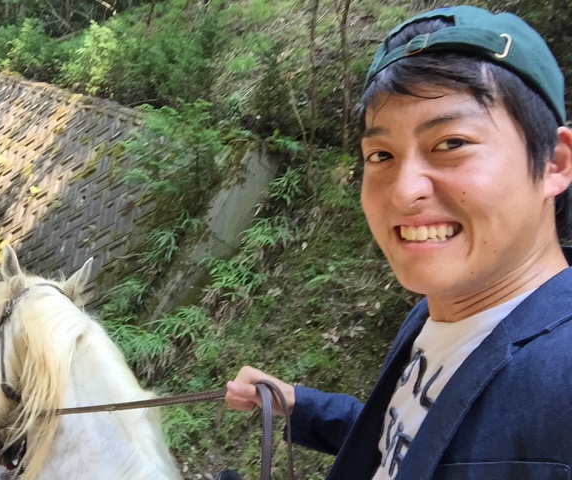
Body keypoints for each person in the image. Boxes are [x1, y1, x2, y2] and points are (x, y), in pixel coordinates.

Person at [225, 5, 572, 479]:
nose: (405, 191)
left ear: (554, 163)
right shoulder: (437, 313)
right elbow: (408, 441)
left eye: (451, 143)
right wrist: (298, 404)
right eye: (381, 154)